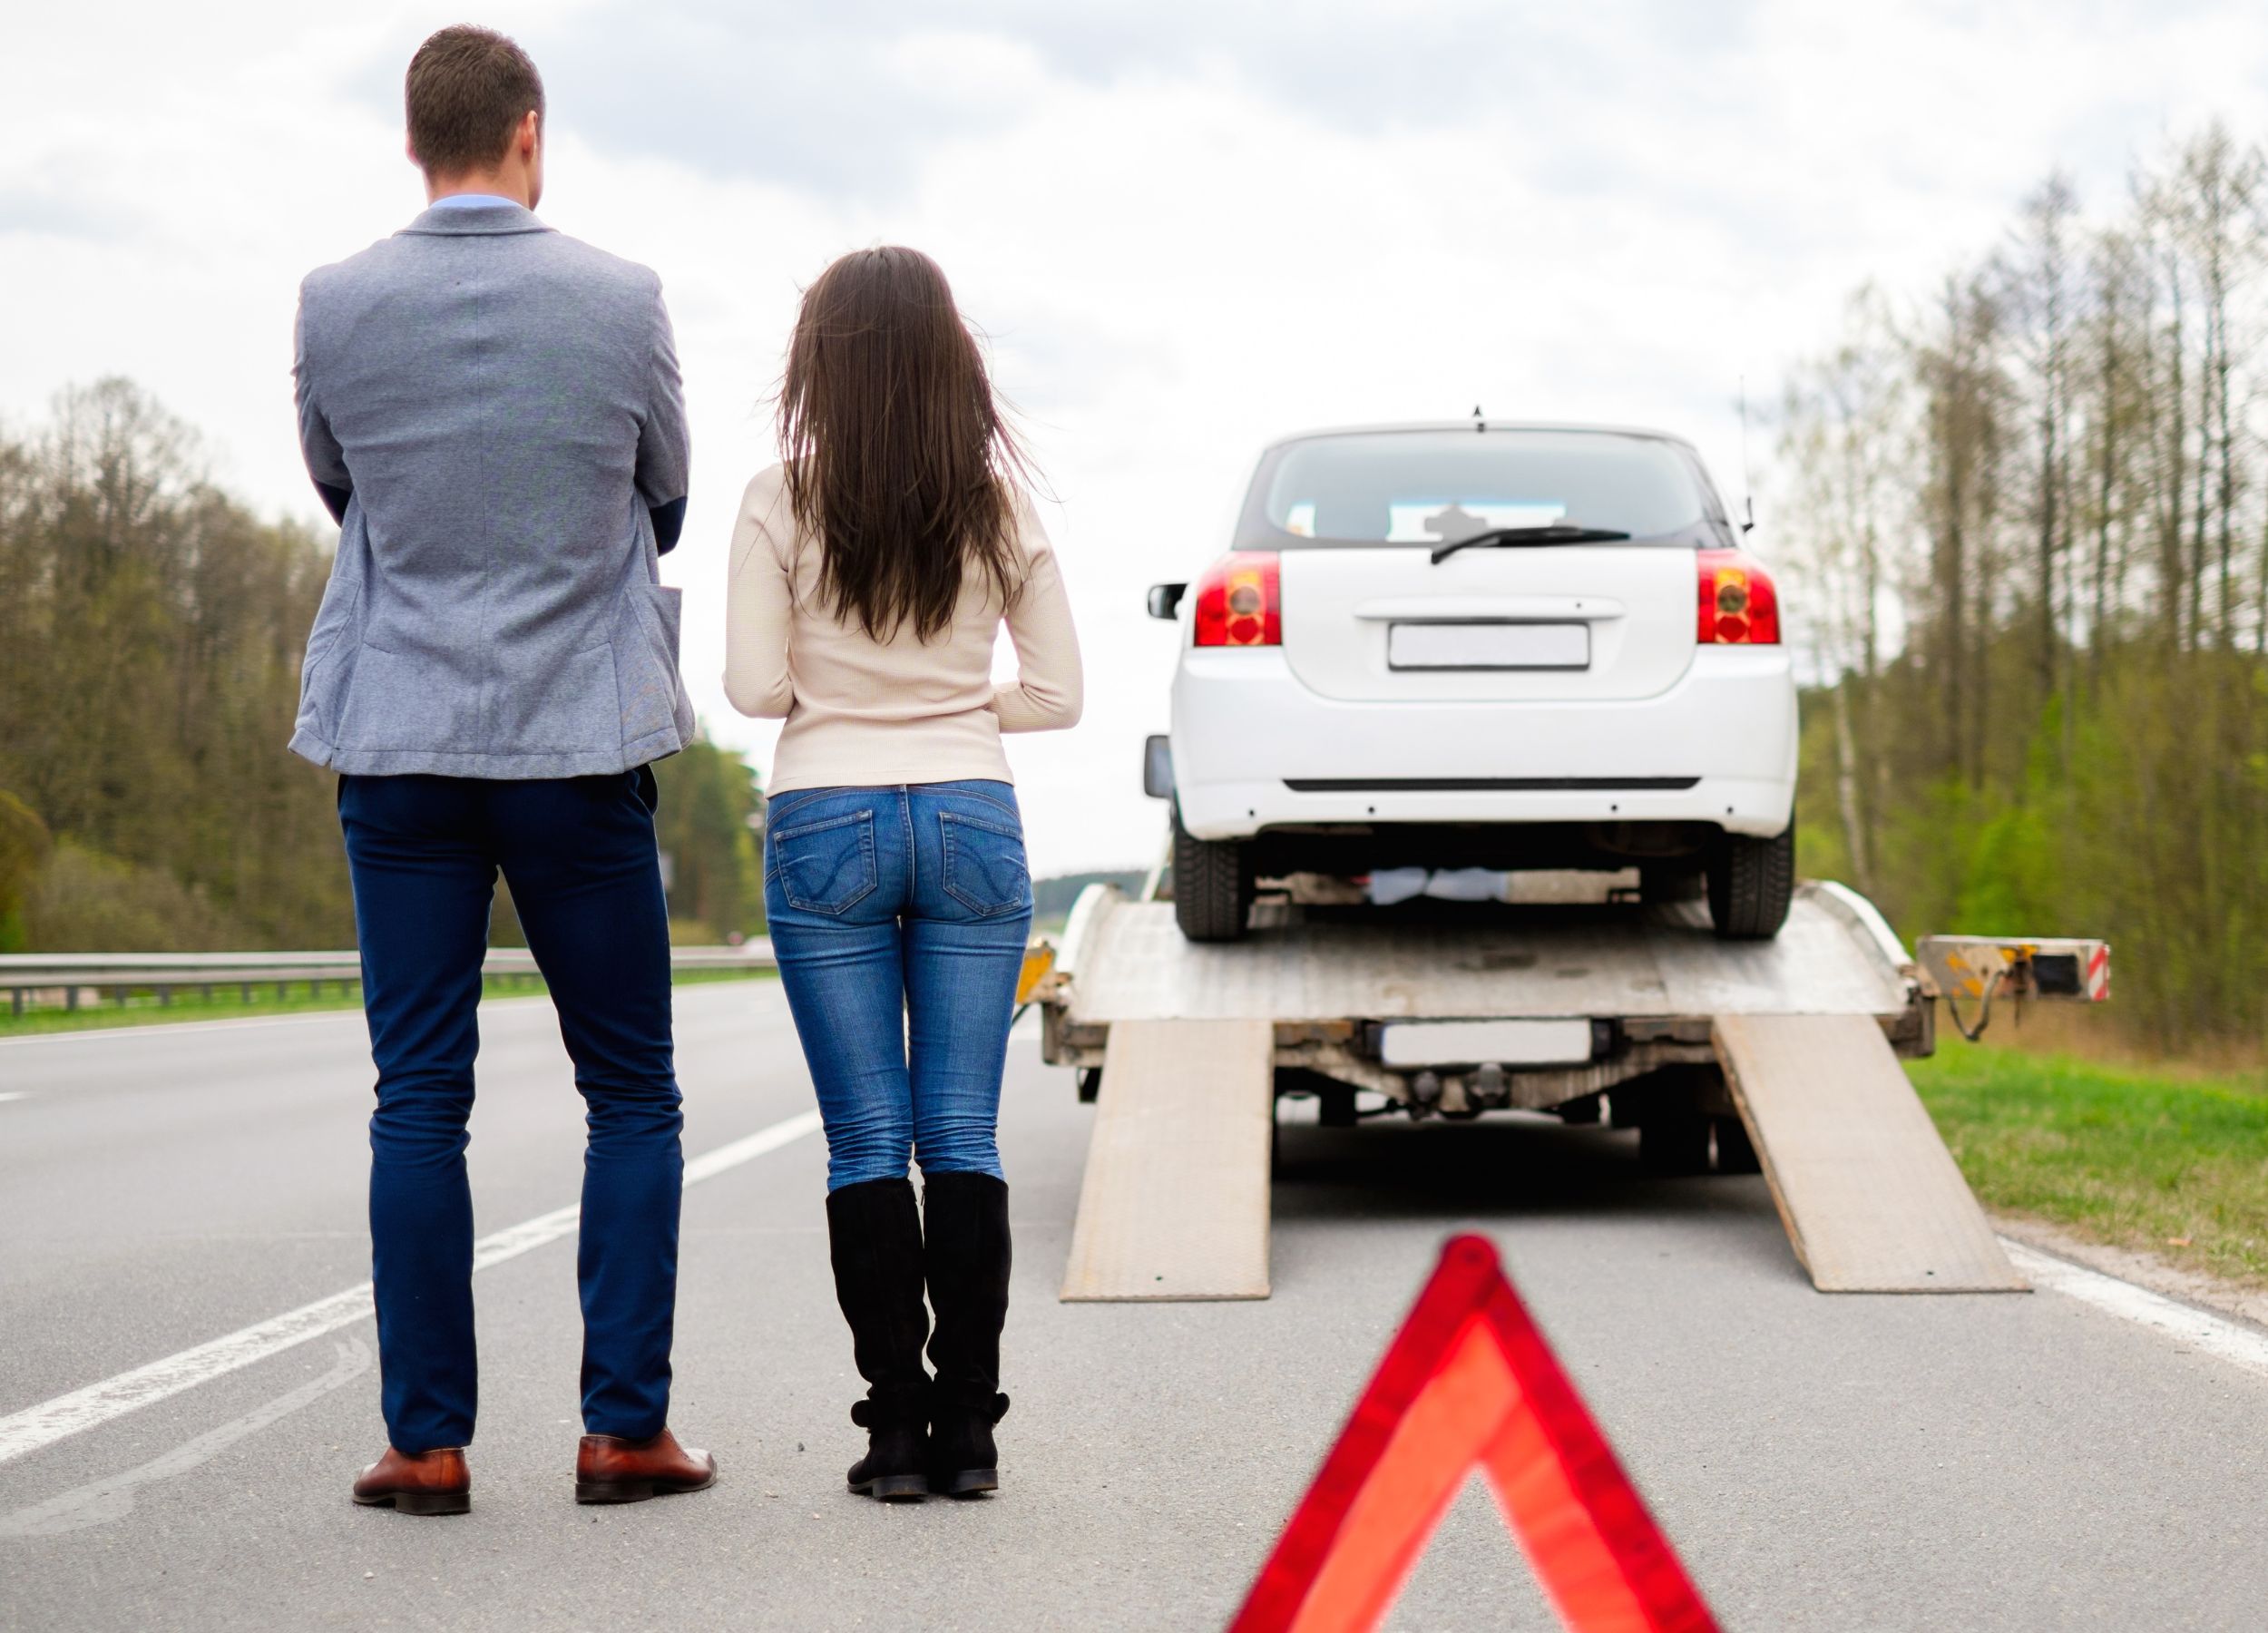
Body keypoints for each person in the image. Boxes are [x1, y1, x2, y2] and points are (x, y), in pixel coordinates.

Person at [290, 24, 714, 1514]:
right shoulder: (622, 298)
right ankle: (622, 1431)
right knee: (633, 1094)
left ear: (416, 142)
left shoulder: (334, 303)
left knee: (418, 1096)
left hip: (399, 743)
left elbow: (340, 486)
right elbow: (665, 490)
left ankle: (425, 1443)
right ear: (530, 132)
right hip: (576, 745)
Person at [724, 247, 1082, 1501]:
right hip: (973, 813)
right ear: (953, 366)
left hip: (828, 815)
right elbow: (1060, 695)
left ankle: (894, 1432)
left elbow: (756, 690)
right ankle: (972, 1433)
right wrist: (952, 708)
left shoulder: (780, 499)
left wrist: (851, 701)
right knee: (964, 1135)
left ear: (818, 367)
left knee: (868, 1141)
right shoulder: (996, 506)